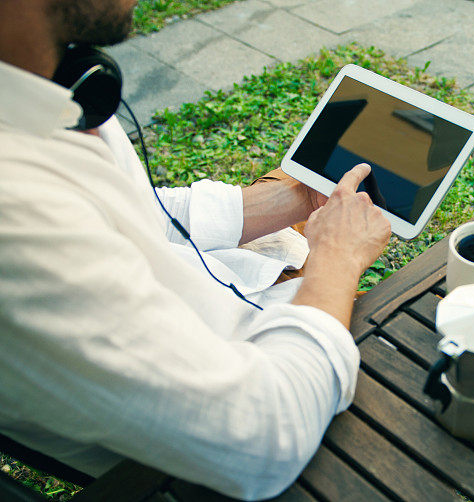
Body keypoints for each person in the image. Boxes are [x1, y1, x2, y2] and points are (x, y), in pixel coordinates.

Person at [0, 0, 391, 499]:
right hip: (247, 429)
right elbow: (267, 432)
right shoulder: (17, 222)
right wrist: (337, 258)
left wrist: (286, 199)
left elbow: (132, 213)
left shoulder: (61, 78)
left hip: (245, 303)